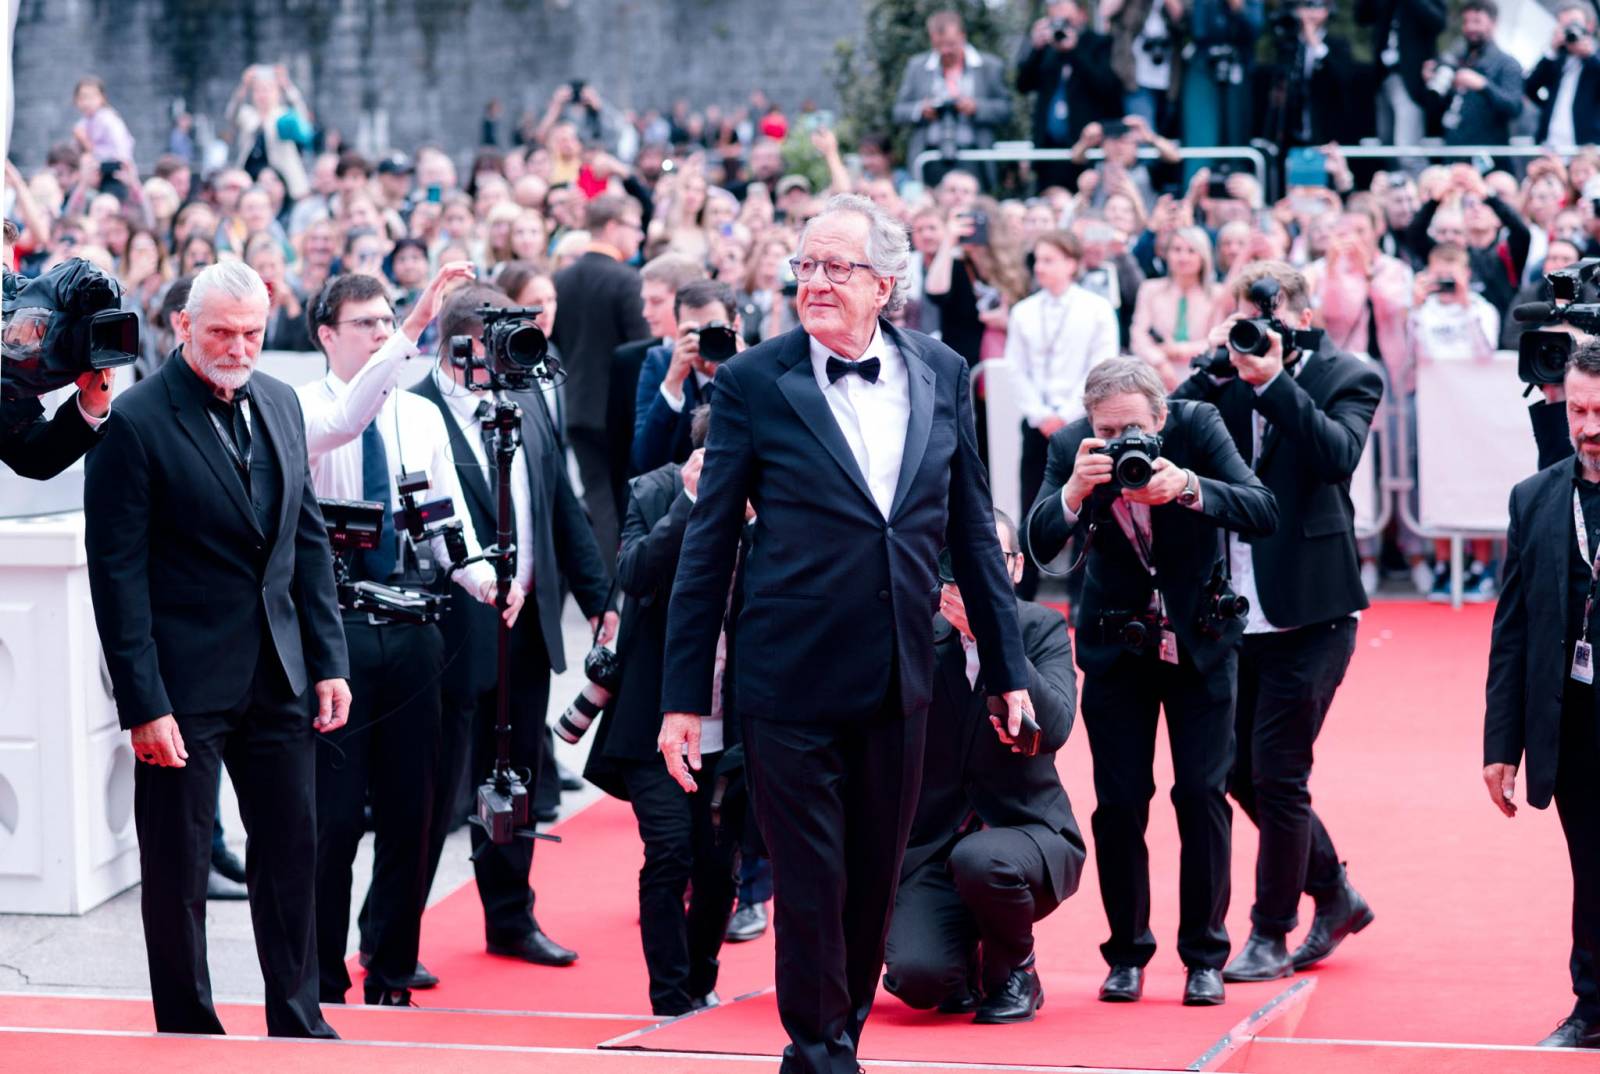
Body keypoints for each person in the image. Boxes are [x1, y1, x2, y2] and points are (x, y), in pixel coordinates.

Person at [659, 194, 1033, 1074]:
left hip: (903, 675)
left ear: (886, 284)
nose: (816, 283)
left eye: (837, 268)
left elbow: (973, 528)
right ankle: (820, 1052)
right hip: (787, 678)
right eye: (806, 266)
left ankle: (838, 1038)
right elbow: (707, 550)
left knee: (872, 879)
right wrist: (686, 699)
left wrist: (1007, 664)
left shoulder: (942, 371)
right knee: (813, 880)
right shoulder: (755, 381)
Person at [81, 261, 350, 1037]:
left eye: (253, 333)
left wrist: (328, 661)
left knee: (292, 854)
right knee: (178, 871)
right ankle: (189, 1030)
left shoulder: (280, 403)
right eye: (223, 332)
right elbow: (117, 580)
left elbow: (306, 542)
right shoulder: (134, 422)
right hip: (181, 687)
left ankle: (298, 1018)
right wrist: (143, 703)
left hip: (280, 676)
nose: (239, 347)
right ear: (183, 328)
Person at [1025, 357, 1277, 1007]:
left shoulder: (1198, 426)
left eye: (1133, 429)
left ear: (1161, 419)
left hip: (1201, 641)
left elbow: (1262, 508)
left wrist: (1189, 486)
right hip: (1117, 646)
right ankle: (1126, 953)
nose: (1120, 444)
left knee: (1201, 795)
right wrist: (1073, 493)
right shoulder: (1071, 448)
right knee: (1119, 803)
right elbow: (1037, 548)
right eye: (1106, 431)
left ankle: (1205, 957)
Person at [296, 264, 511, 1006]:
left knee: (411, 814)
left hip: (416, 631)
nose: (385, 336)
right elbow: (352, 416)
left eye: (391, 324)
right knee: (332, 820)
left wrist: (486, 581)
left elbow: (446, 523)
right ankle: (320, 973)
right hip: (339, 637)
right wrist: (421, 320)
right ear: (328, 335)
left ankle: (390, 970)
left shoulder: (418, 419)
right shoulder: (306, 409)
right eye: (368, 325)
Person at [1172, 261, 1383, 983]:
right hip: (1233, 610)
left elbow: (1337, 454)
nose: (1253, 332)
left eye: (1265, 316)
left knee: (1280, 774)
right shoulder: (1225, 376)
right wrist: (1207, 371)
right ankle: (1334, 891)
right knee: (1236, 771)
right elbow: (1170, 428)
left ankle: (1270, 931)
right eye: (1244, 316)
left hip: (1314, 611)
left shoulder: (1347, 375)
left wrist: (1269, 380)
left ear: (1299, 315)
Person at [411, 286, 615, 969]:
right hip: (447, 631)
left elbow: (562, 509)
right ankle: (395, 939)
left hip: (525, 628)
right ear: (464, 346)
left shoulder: (526, 403)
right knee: (434, 786)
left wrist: (598, 602)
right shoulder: (415, 411)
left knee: (517, 775)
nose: (521, 358)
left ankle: (510, 918)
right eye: (506, 344)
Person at [883, 511, 1085, 1025]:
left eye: (990, 559)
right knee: (920, 979)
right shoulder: (916, 636)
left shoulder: (1039, 627)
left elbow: (1053, 729)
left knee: (982, 859)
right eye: (961, 560)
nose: (975, 572)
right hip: (932, 844)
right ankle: (963, 960)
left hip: (1024, 832)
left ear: (1015, 568)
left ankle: (1017, 967)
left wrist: (994, 639)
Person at [585, 407, 743, 1016]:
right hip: (654, 711)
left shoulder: (772, 492)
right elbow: (633, 573)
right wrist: (690, 504)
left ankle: (701, 979)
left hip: (732, 713)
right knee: (671, 850)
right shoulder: (653, 492)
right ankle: (670, 999)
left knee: (717, 865)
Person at [1484, 341, 1600, 1049]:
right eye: (1579, 411)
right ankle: (1591, 1007)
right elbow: (1513, 630)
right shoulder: (1535, 498)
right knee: (1591, 868)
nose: (1589, 427)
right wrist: (1502, 746)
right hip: (1577, 719)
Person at [1005, 230, 1119, 599]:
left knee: (1089, 513)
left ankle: (1083, 599)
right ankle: (1024, 597)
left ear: (1072, 263)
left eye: (1050, 259)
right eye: (1038, 260)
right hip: (1037, 425)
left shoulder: (1097, 308)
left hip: (1083, 423)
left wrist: (1068, 415)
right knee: (1034, 507)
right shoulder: (1023, 311)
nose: (1041, 267)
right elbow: (1015, 369)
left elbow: (1101, 366)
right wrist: (1041, 415)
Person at [550, 194, 651, 569]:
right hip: (619, 408)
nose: (639, 235)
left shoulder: (561, 279)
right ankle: (618, 579)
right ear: (612, 226)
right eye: (634, 225)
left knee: (598, 498)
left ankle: (606, 579)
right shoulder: (627, 280)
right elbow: (641, 347)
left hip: (576, 404)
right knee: (625, 497)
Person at [892, 10, 1013, 190]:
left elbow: (1006, 110)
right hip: (931, 155)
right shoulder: (917, 66)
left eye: (950, 44)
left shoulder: (988, 66)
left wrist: (976, 108)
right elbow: (898, 111)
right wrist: (920, 109)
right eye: (938, 45)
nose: (945, 51)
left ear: (963, 36)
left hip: (974, 155)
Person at [634, 279, 744, 474]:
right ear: (677, 331)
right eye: (694, 332)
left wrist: (742, 371)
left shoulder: (754, 364)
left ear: (735, 325)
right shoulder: (661, 363)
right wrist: (673, 382)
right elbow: (645, 459)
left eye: (714, 329)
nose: (705, 339)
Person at [1017, 0, 1123, 192]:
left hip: (1086, 148)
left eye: (1066, 19)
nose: (1061, 26)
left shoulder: (1099, 43)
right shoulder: (1047, 49)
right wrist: (1035, 47)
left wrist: (1074, 51)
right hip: (1049, 149)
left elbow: (1109, 88)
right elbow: (1023, 85)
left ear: (1082, 15)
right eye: (1055, 19)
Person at [619, 254, 708, 478]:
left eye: (656, 302)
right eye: (645, 301)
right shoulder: (630, 359)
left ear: (686, 301)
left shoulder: (735, 354)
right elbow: (622, 456)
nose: (645, 312)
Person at [1423, 0, 1524, 151]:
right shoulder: (1457, 60)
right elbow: (1437, 110)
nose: (1470, 28)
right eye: (1466, 22)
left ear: (1493, 23)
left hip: (1488, 158)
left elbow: (1514, 107)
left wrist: (1483, 85)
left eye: (1477, 21)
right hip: (1453, 152)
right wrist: (1432, 81)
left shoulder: (1507, 64)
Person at [1361, 0, 1446, 162]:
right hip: (1383, 76)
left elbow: (1438, 22)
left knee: (1406, 148)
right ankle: (1393, 185)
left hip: (1410, 79)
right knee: (1385, 144)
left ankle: (1414, 184)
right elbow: (1363, 16)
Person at [1527, 2, 1600, 149]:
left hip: (1586, 149)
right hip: (1551, 147)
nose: (1570, 30)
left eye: (1574, 24)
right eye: (1564, 25)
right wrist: (1551, 51)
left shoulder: (1596, 58)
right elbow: (1529, 87)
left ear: (1590, 25)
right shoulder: (1556, 59)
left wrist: (1590, 57)